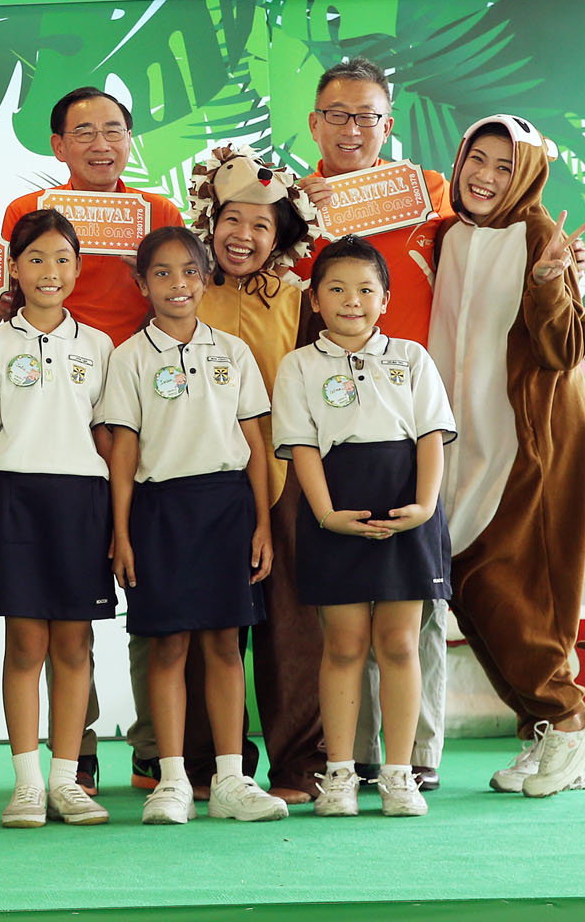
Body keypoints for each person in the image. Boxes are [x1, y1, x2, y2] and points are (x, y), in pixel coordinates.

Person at [0, 87, 187, 793]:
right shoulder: (27, 216)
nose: (100, 143)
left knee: (143, 573)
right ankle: (72, 748)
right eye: (84, 132)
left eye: (113, 130)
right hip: (53, 408)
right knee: (59, 595)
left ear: (131, 140)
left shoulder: (159, 214)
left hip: (141, 407)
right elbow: (2, 300)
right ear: (58, 146)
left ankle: (151, 744)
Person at [428, 115, 585, 796]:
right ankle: (550, 728)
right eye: (476, 159)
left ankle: (568, 721)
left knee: (516, 584)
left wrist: (547, 281)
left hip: (534, 441)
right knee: (469, 581)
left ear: (529, 176)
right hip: (466, 440)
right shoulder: (449, 236)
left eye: (504, 166)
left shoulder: (539, 234)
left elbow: (566, 352)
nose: (484, 176)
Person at [102, 227, 287, 825]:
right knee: (168, 647)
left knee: (226, 646)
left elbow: (257, 443)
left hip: (227, 507)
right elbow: (123, 451)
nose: (177, 284)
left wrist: (262, 523)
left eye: (188, 271)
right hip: (160, 512)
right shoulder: (128, 358)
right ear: (141, 284)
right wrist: (123, 532)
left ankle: (231, 779)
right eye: (161, 273)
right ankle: (174, 779)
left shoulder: (232, 352)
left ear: (205, 278)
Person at [272, 238, 456, 818]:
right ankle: (342, 774)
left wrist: (424, 507)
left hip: (407, 509)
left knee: (400, 643)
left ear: (385, 298)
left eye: (365, 289)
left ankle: (399, 774)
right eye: (336, 289)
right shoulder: (298, 365)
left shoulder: (412, 357)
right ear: (316, 300)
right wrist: (326, 515)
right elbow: (301, 447)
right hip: (335, 510)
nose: (352, 301)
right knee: (344, 645)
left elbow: (430, 438)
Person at [183, 144, 327, 803]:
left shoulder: (299, 299)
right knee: (205, 627)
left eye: (262, 225)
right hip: (200, 481)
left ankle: (300, 764)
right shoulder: (184, 293)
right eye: (233, 220)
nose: (244, 236)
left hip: (284, 481)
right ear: (211, 221)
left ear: (281, 235)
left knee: (292, 630)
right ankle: (209, 764)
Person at [0, 209, 115, 827]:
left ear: (78, 268)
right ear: (14, 269)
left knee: (75, 645)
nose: (49, 272)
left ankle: (65, 781)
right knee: (25, 644)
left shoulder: (99, 346)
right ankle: (26, 784)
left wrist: (117, 524)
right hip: (14, 501)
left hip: (82, 502)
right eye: (35, 259)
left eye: (61, 260)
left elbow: (108, 438)